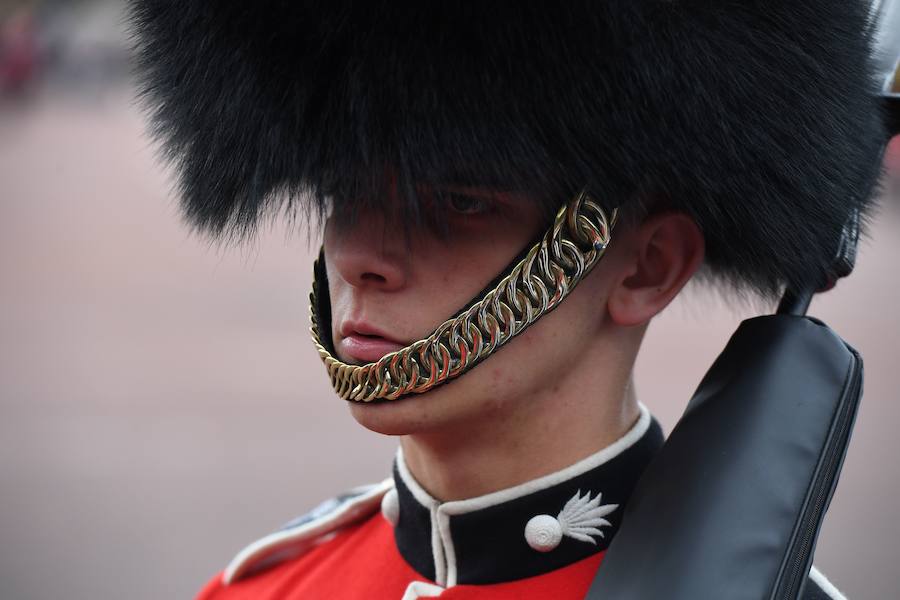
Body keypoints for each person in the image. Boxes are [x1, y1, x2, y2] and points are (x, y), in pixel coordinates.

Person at [129, 2, 886, 598]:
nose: (361, 257)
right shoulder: (256, 590)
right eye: (343, 194)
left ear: (646, 268)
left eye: (457, 204)